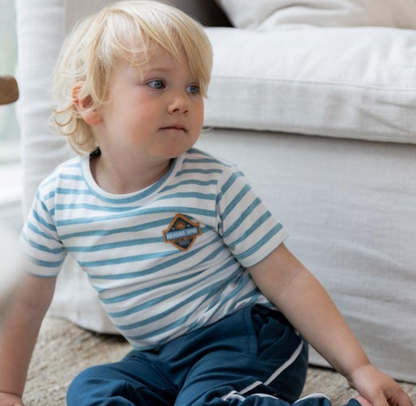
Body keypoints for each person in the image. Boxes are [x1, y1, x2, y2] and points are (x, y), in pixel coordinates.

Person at [0, 2, 413, 406]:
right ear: (89, 102)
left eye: (193, 87)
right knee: (90, 387)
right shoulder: (58, 198)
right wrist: (8, 391)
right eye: (158, 83)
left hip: (246, 336)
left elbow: (287, 279)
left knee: (206, 399)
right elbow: (27, 301)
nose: (182, 100)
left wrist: (358, 368)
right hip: (161, 356)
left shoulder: (214, 181)